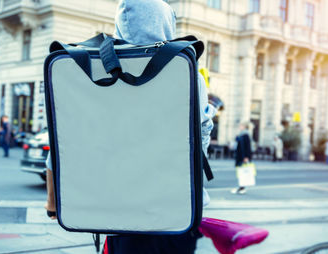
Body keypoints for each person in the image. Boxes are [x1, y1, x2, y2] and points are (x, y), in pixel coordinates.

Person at [45, 0, 216, 253]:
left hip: (119, 218)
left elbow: (66, 140)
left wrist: (53, 203)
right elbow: (200, 139)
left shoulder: (95, 68)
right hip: (175, 212)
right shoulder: (185, 69)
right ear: (168, 23)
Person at [231, 122, 252, 194]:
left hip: (243, 157)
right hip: (239, 156)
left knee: (243, 172)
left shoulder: (246, 135)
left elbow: (248, 147)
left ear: (244, 126)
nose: (239, 126)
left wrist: (247, 157)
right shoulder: (241, 135)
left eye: (241, 125)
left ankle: (242, 188)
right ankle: (241, 187)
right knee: (240, 172)